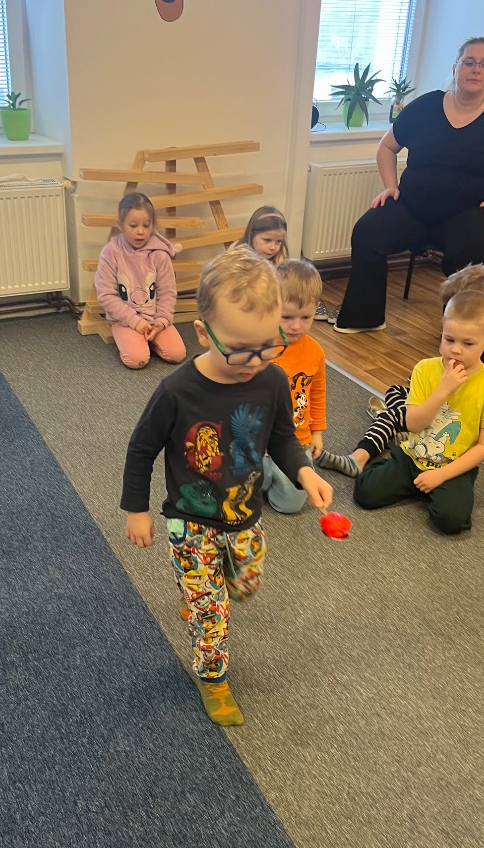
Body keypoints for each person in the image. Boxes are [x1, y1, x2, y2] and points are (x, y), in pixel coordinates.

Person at [121, 245, 332, 726]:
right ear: (203, 332)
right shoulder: (177, 390)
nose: (253, 361)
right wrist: (137, 509)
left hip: (244, 515)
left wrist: (305, 472)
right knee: (211, 611)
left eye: (267, 346)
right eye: (239, 349)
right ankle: (212, 674)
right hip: (190, 519)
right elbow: (141, 448)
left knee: (246, 584)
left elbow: (282, 437)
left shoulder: (271, 380)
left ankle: (202, 593)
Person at [330, 36, 484, 334]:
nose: (476, 69)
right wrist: (390, 185)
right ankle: (364, 317)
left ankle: (462, 331)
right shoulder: (426, 106)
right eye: (469, 62)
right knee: (368, 232)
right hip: (415, 208)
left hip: (476, 212)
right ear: (456, 67)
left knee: (469, 249)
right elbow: (387, 147)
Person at [317, 263, 484, 478]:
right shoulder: (462, 344)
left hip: (462, 420)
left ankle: (360, 456)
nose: (455, 347)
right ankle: (402, 430)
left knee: (394, 415)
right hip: (438, 408)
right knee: (396, 391)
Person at [352, 290, 484, 534]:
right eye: (449, 339)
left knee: (451, 521)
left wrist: (441, 475)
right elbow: (414, 424)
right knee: (365, 493)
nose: (456, 350)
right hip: (413, 455)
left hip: (453, 467)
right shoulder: (424, 369)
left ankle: (429, 485)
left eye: (468, 343)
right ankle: (392, 458)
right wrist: (443, 390)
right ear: (442, 332)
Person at [262, 258, 327, 513]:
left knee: (291, 505)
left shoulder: (315, 352)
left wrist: (317, 432)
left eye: (306, 317)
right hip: (257, 440)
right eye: (287, 317)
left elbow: (317, 393)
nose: (296, 326)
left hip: (296, 439)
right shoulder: (258, 347)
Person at [94, 191, 187, 368]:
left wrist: (161, 322)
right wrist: (134, 321)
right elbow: (106, 295)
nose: (140, 231)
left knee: (177, 354)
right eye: (133, 225)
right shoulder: (111, 252)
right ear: (120, 225)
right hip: (125, 319)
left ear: (153, 225)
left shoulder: (160, 254)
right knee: (137, 360)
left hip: (155, 318)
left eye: (146, 225)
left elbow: (167, 293)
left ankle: (148, 340)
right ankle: (137, 341)